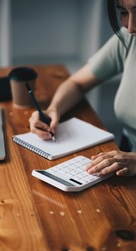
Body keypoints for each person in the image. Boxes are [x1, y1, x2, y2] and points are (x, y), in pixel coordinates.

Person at [29, 0, 136, 177]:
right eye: (124, 12)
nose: (130, 26)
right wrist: (53, 110)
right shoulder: (129, 39)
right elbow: (76, 83)